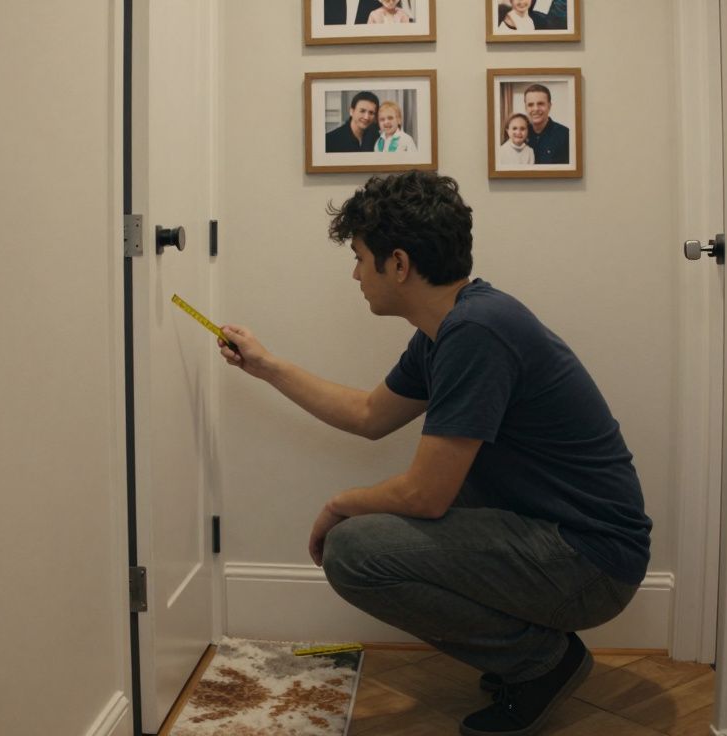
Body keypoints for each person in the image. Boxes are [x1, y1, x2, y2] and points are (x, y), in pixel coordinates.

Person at [216, 171, 651, 736]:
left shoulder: (477, 332)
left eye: (359, 257)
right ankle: (529, 654)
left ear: (397, 264)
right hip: (557, 538)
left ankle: (541, 663)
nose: (354, 273)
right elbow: (370, 415)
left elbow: (426, 495)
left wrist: (338, 505)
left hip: (591, 562)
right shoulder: (449, 328)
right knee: (397, 515)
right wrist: (267, 365)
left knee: (353, 550)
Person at [522, 83, 570, 164]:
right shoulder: (519, 135)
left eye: (540, 104)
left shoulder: (566, 135)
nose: (536, 109)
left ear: (549, 106)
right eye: (530, 105)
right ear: (526, 108)